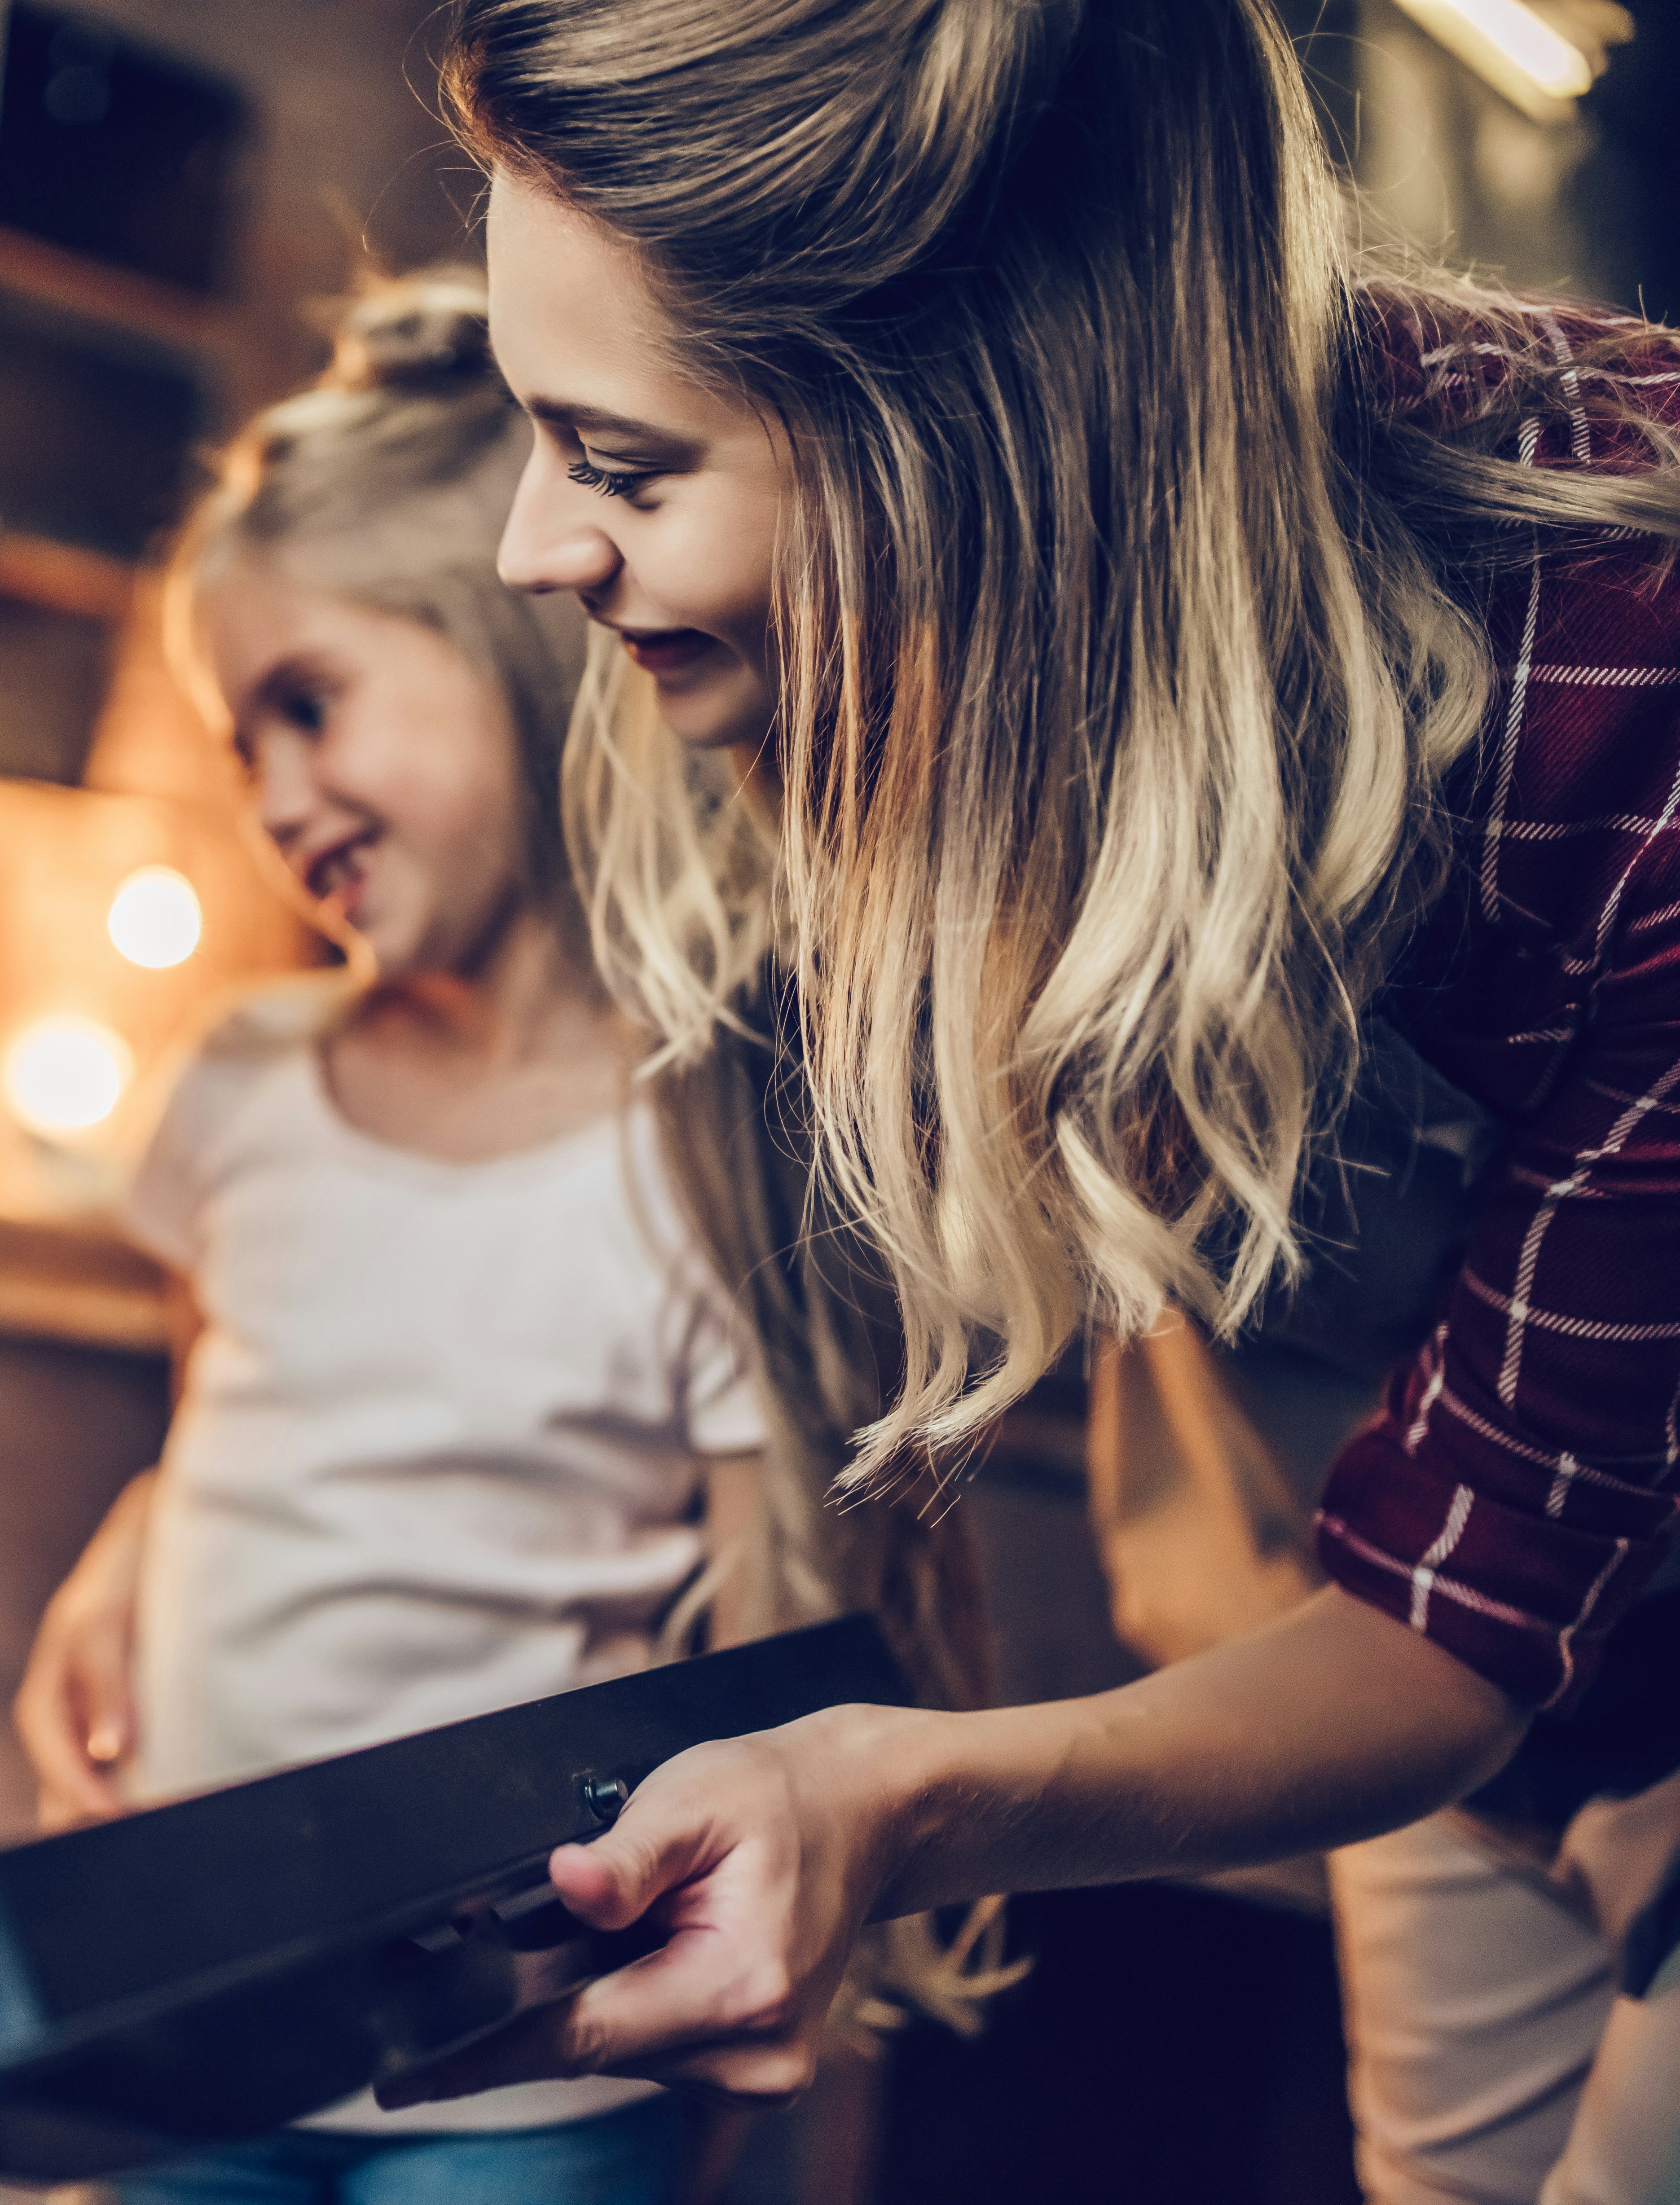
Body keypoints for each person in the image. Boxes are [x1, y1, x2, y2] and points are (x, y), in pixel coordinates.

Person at [381, 4, 1680, 2200]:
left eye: (619, 464)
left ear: (968, 451)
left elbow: (1450, 1628)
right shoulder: (1036, 625)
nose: (533, 548)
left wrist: (899, 1797)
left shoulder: (1629, 707)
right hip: (1495, 1620)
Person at [9, 270, 986, 2205]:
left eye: (310, 703)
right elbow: (252, 1414)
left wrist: (722, 2056)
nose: (275, 799)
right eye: (239, 749)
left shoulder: (706, 1161)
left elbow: (770, 1653)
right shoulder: (241, 1090)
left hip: (529, 2083)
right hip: (199, 2030)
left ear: (516, 649)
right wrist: (124, 1551)